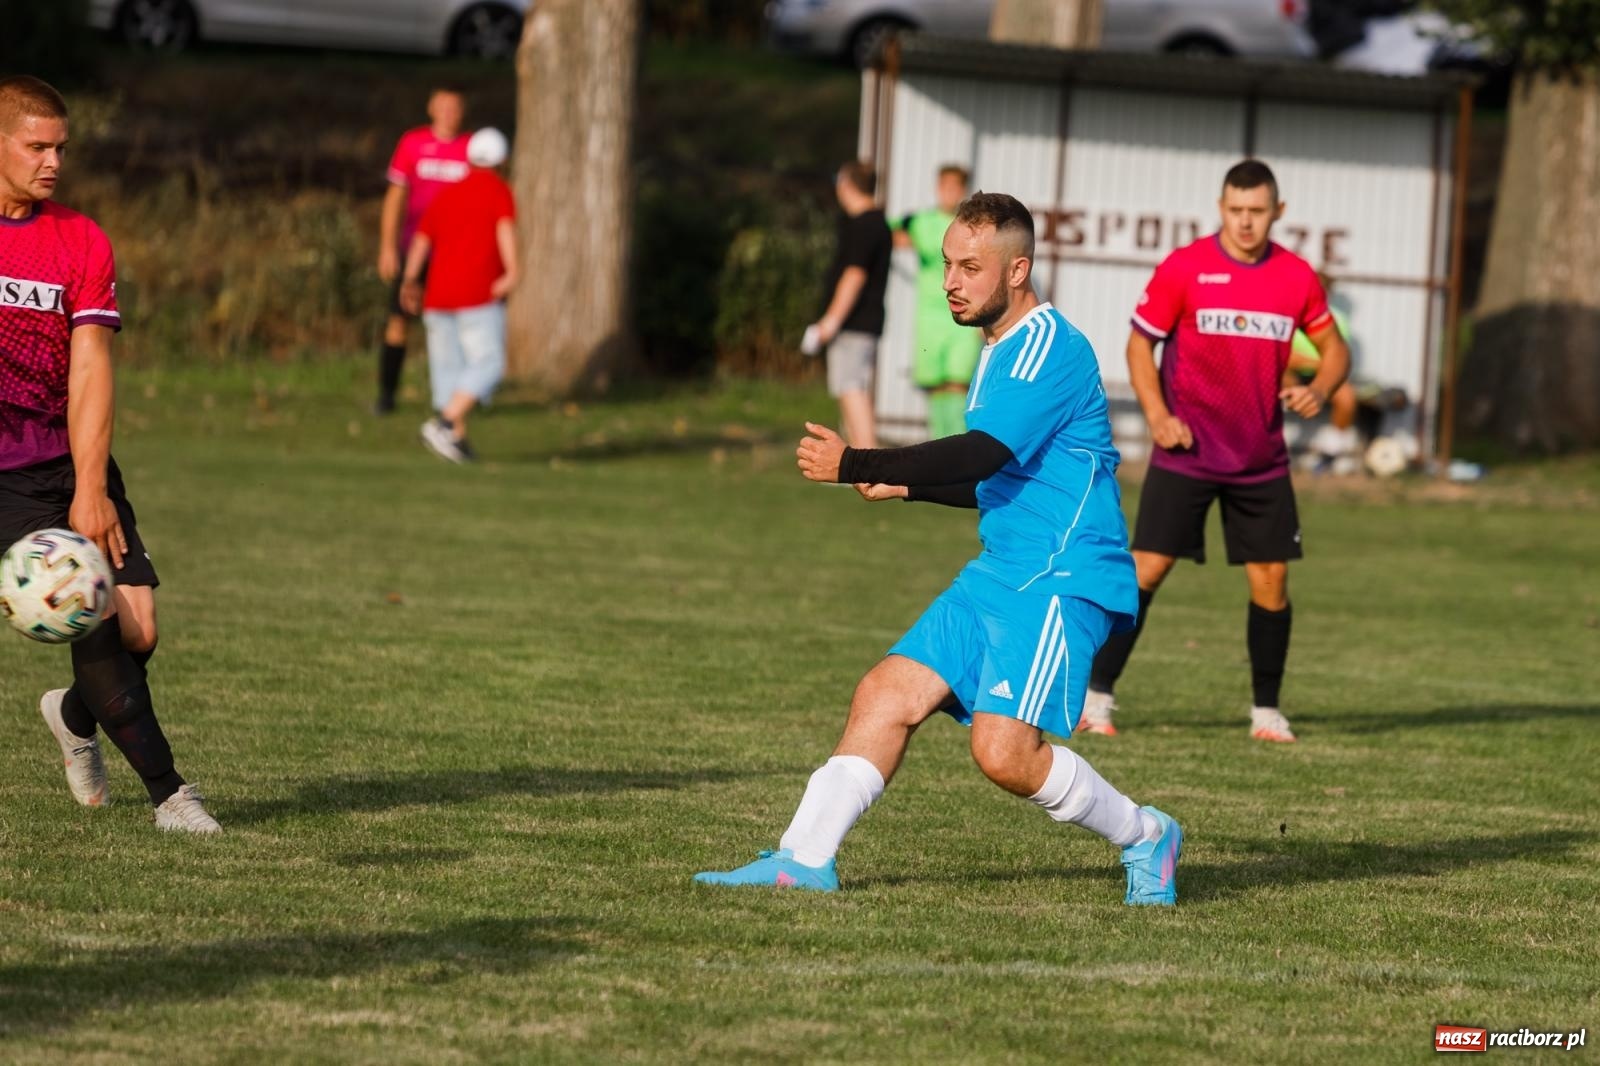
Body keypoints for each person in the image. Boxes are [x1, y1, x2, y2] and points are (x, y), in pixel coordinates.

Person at [695, 192, 1183, 905]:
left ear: (1018, 271)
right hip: (1004, 569)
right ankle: (801, 860)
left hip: (1060, 576)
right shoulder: (998, 348)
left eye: (970, 267)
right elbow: (1007, 475)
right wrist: (909, 487)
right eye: (948, 263)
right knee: (884, 694)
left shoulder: (1048, 346)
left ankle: (1145, 836)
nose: (950, 280)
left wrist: (862, 464)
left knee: (1004, 754)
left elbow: (981, 451)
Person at [0, 75, 218, 832]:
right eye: (36, 146)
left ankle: (72, 713)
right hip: (5, 479)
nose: (53, 161)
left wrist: (90, 489)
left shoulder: (80, 240)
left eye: (61, 147)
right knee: (90, 620)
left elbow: (91, 367)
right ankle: (171, 796)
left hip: (69, 459)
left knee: (139, 630)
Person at [1080, 160, 1350, 743]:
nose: (1245, 222)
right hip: (1187, 454)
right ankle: (1097, 699)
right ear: (1221, 208)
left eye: (1256, 211)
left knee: (1271, 581)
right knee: (1145, 571)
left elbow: (1334, 349)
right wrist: (1157, 416)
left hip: (1260, 461)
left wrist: (1320, 389)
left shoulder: (1297, 278)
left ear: (1277, 212)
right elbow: (1138, 346)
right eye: (1235, 210)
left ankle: (1266, 713)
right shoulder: (1186, 268)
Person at [401, 127, 517, 464]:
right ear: (503, 160)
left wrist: (410, 279)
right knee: (490, 363)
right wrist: (513, 271)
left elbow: (422, 239)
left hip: (438, 295)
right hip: (477, 292)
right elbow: (505, 229)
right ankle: (445, 422)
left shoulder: (448, 194)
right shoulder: (499, 191)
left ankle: (455, 440)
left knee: (448, 370)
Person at [374, 85, 470, 415]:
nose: (449, 113)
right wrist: (387, 247)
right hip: (413, 250)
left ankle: (453, 400)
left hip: (456, 253)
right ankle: (386, 396)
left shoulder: (472, 149)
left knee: (454, 326)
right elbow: (395, 197)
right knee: (399, 321)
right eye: (443, 106)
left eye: (455, 107)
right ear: (431, 108)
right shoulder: (413, 144)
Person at [891, 164, 984, 439]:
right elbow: (887, 231)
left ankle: (960, 450)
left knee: (958, 381)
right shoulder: (922, 222)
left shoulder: (972, 226)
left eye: (955, 188)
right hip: (931, 314)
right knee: (936, 385)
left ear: (963, 191)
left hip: (964, 314)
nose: (949, 193)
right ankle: (940, 448)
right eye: (944, 187)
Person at [809, 161, 891, 448]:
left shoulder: (866, 225)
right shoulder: (873, 222)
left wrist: (830, 321)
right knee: (847, 386)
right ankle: (855, 460)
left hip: (855, 323)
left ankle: (865, 460)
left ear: (846, 184)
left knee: (852, 387)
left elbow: (854, 276)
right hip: (858, 323)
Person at [1286, 278, 1359, 472]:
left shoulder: (1338, 319)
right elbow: (1283, 357)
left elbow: (1339, 355)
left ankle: (1332, 453)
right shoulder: (1288, 314)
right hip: (1290, 375)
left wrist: (1317, 368)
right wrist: (1320, 362)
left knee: (1347, 397)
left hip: (1320, 376)